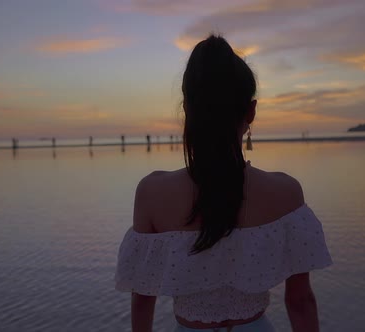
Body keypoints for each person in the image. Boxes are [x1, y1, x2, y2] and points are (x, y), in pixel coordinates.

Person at [115, 35, 332, 332]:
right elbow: (300, 301)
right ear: (251, 111)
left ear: (187, 110)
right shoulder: (286, 193)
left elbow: (143, 300)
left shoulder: (152, 193)